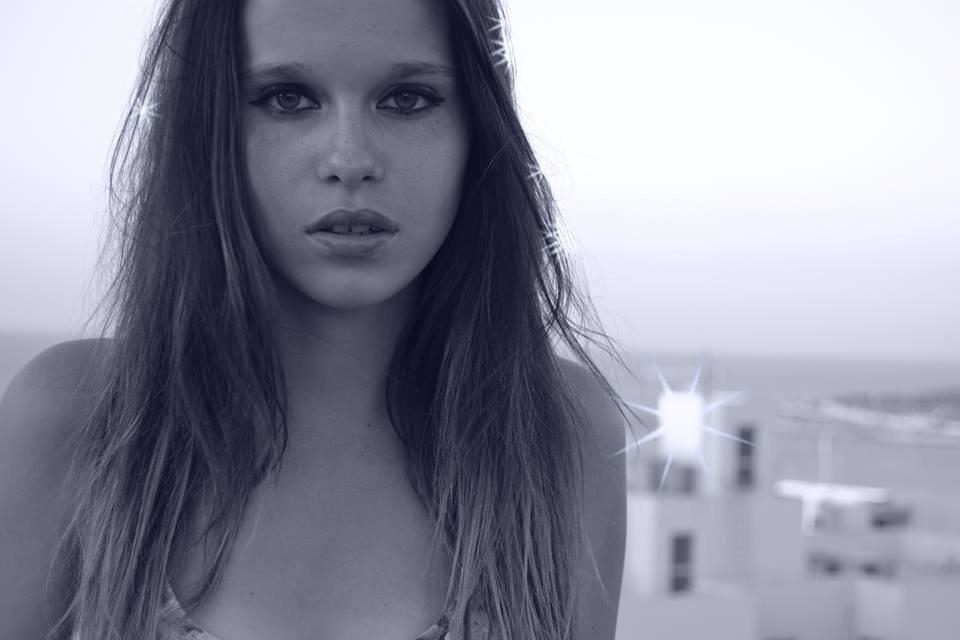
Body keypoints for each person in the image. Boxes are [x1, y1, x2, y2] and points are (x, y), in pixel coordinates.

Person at [0, 0, 634, 638]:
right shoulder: (80, 422)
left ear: (478, 131)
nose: (350, 159)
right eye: (287, 99)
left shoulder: (561, 436)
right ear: (207, 128)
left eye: (407, 99)